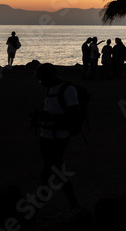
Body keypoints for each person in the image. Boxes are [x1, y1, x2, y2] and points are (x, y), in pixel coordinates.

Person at [32, 63, 81, 210]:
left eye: (42, 79)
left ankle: (71, 203)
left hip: (59, 136)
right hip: (46, 134)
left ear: (52, 75)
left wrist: (49, 117)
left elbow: (74, 115)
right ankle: (45, 198)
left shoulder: (68, 90)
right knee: (52, 168)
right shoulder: (50, 89)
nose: (41, 83)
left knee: (54, 168)